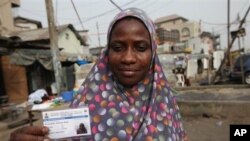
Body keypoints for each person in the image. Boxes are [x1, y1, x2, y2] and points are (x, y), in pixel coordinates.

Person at [10, 8, 187, 141]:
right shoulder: (86, 106)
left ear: (153, 52)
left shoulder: (165, 103)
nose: (128, 58)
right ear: (106, 53)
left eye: (140, 48)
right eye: (117, 48)